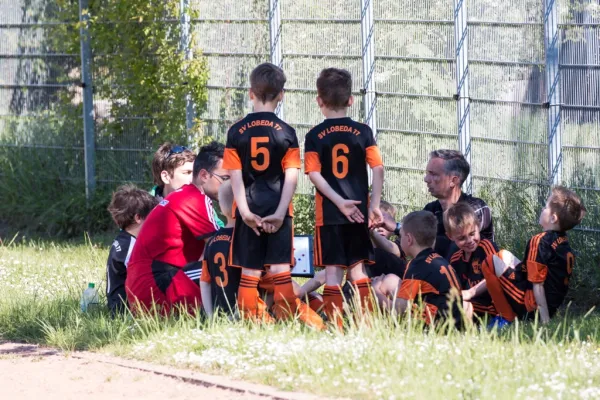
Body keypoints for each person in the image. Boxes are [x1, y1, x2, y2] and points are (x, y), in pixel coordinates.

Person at [223, 62, 323, 329]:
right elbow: (291, 175)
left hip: (249, 210)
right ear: (282, 95)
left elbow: (234, 176)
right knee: (280, 270)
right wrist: (280, 212)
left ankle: (251, 322)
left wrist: (244, 211)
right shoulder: (287, 133)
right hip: (279, 209)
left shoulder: (236, 131)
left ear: (251, 94)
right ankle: (288, 321)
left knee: (249, 272)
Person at [304, 67, 384, 329]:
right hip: (359, 212)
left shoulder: (314, 136)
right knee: (359, 271)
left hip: (330, 215)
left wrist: (338, 202)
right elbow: (378, 168)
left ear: (319, 101)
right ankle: (366, 325)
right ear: (351, 100)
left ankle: (336, 326)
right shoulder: (363, 132)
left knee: (333, 273)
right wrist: (373, 205)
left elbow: (313, 174)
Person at [125, 142, 227, 314]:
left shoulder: (185, 195)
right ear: (203, 175)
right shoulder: (195, 198)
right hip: (157, 287)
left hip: (147, 287)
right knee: (227, 264)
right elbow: (222, 245)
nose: (230, 186)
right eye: (226, 179)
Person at [482, 186, 585, 326]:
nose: (542, 209)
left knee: (489, 262)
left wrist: (544, 320)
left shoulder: (539, 241)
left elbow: (538, 284)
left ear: (553, 218)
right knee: (502, 255)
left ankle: (506, 318)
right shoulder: (563, 240)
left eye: (545, 207)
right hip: (550, 305)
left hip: (531, 306)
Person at [395, 211, 462, 329]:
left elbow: (400, 309)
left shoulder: (417, 266)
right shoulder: (439, 260)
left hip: (436, 328)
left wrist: (379, 298)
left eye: (401, 236)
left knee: (388, 285)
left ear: (409, 239)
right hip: (456, 325)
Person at [106, 185, 158, 316]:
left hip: (117, 305)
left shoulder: (123, 239)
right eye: (153, 216)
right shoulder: (130, 247)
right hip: (124, 311)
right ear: (138, 217)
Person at [201, 181, 251, 318]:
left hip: (219, 313)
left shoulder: (211, 241)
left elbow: (204, 282)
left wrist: (210, 316)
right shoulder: (247, 241)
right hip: (244, 312)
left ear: (221, 208)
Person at [445, 202, 499, 321]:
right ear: (450, 237)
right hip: (471, 305)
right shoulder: (455, 258)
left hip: (492, 306)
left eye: (472, 234)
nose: (469, 240)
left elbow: (497, 275)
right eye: (462, 238)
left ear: (478, 226)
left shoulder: (486, 247)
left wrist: (471, 292)